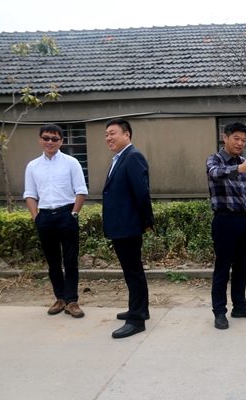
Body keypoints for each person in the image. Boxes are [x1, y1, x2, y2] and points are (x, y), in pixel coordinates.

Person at [24, 124, 88, 318]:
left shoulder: (71, 163)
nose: (50, 142)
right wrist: (37, 218)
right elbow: (30, 194)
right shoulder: (33, 166)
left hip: (67, 215)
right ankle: (60, 298)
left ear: (61, 141)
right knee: (53, 263)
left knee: (71, 261)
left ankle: (72, 301)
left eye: (54, 139)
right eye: (46, 138)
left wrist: (73, 214)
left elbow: (81, 191)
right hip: (45, 217)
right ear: (40, 139)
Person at [206, 122, 246, 330]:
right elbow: (215, 173)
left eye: (243, 140)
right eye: (236, 138)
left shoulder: (244, 164)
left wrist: (242, 167)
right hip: (224, 221)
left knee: (241, 267)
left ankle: (240, 306)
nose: (240, 143)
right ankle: (219, 312)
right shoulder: (215, 159)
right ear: (225, 138)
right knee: (222, 269)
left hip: (243, 221)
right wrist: (239, 168)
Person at [103, 118, 154, 339]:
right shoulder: (120, 158)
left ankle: (136, 320)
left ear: (127, 135)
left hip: (128, 226)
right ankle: (141, 310)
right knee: (132, 271)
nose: (108, 137)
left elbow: (142, 193)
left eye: (112, 133)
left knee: (134, 273)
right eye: (106, 134)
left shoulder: (133, 156)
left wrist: (147, 220)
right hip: (121, 225)